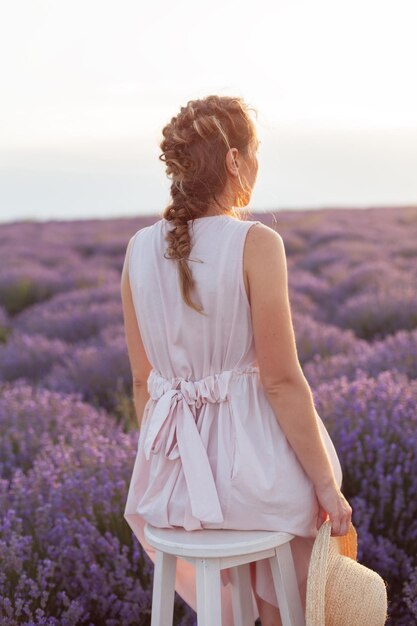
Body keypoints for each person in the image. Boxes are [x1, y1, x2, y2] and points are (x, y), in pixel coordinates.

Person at [121, 94, 352, 625]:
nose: (256, 163)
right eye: (255, 151)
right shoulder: (256, 242)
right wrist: (326, 486)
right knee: (310, 500)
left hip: (170, 484)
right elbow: (281, 382)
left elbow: (141, 380)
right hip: (250, 479)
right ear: (232, 160)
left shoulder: (137, 248)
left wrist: (168, 466)